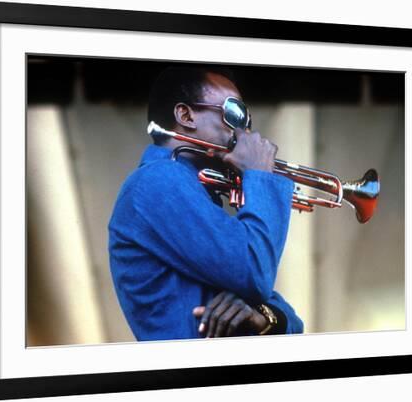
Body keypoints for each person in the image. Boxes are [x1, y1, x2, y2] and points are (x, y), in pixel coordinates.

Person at [108, 66, 303, 341]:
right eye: (234, 113)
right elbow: (254, 271)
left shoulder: (191, 186)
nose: (244, 129)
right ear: (185, 116)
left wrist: (264, 316)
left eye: (246, 118)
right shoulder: (159, 180)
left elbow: (289, 318)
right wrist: (260, 176)